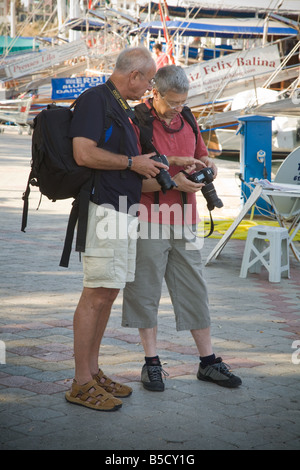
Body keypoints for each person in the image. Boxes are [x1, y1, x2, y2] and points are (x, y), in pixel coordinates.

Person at [122, 65, 242, 391]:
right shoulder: (135, 122)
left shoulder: (187, 118)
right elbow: (128, 178)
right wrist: (170, 182)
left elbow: (201, 154)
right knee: (144, 290)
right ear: (155, 93)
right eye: (172, 102)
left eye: (182, 102)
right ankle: (151, 363)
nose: (178, 108)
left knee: (195, 288)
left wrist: (208, 166)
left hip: (186, 219)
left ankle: (208, 361)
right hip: (147, 218)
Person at [65, 47, 169, 411]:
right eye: (149, 79)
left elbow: (132, 166)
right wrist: (131, 161)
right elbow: (83, 153)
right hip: (103, 211)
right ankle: (79, 382)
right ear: (134, 75)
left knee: (108, 293)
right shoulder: (96, 100)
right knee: (95, 293)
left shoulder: (120, 106)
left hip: (122, 211)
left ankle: (92, 373)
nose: (149, 87)